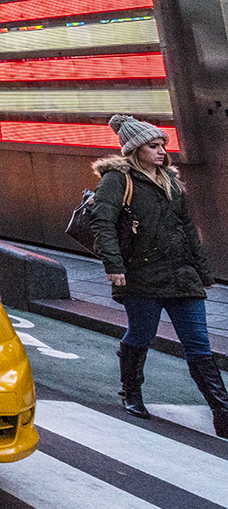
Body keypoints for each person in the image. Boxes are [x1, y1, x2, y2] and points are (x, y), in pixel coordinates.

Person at [94, 114, 227, 435]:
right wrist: (114, 267)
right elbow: (102, 224)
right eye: (153, 146)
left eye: (162, 146)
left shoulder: (171, 181)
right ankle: (132, 392)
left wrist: (203, 271)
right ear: (135, 149)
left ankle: (222, 411)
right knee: (141, 336)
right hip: (141, 276)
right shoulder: (117, 180)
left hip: (182, 276)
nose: (161, 152)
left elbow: (187, 230)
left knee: (198, 345)